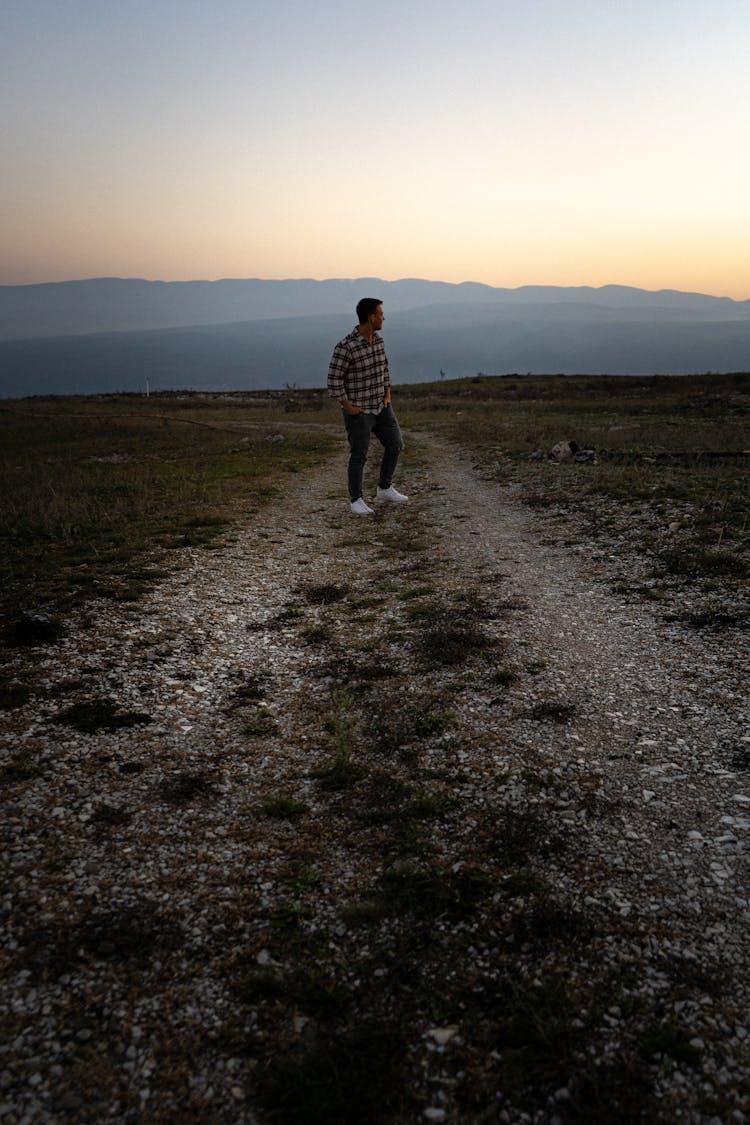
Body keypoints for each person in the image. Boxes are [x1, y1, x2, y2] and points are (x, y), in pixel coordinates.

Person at [327, 297, 408, 515]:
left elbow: (385, 368)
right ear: (371, 317)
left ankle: (384, 488)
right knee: (359, 455)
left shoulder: (379, 341)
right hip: (359, 411)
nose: (384, 317)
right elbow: (334, 380)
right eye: (381, 314)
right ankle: (356, 501)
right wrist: (349, 407)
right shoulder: (346, 347)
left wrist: (387, 394)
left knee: (395, 445)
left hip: (382, 407)